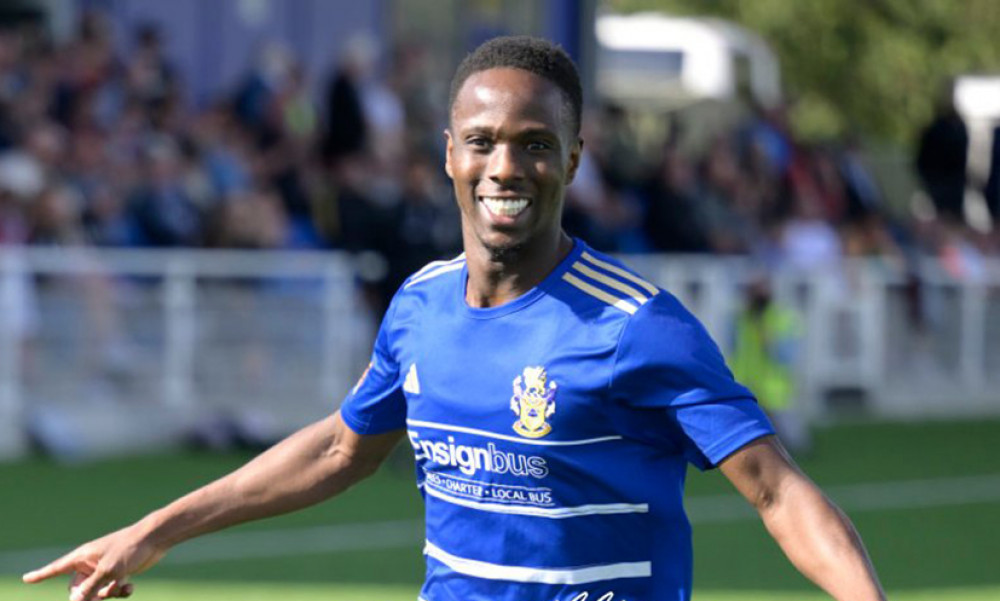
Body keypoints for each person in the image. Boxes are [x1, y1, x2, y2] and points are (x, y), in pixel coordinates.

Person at [22, 36, 885, 601]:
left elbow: (777, 489)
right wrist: (151, 531)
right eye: (482, 140)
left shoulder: (636, 326)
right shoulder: (421, 306)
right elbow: (337, 449)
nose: (505, 165)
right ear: (448, 152)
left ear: (574, 159)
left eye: (535, 144)